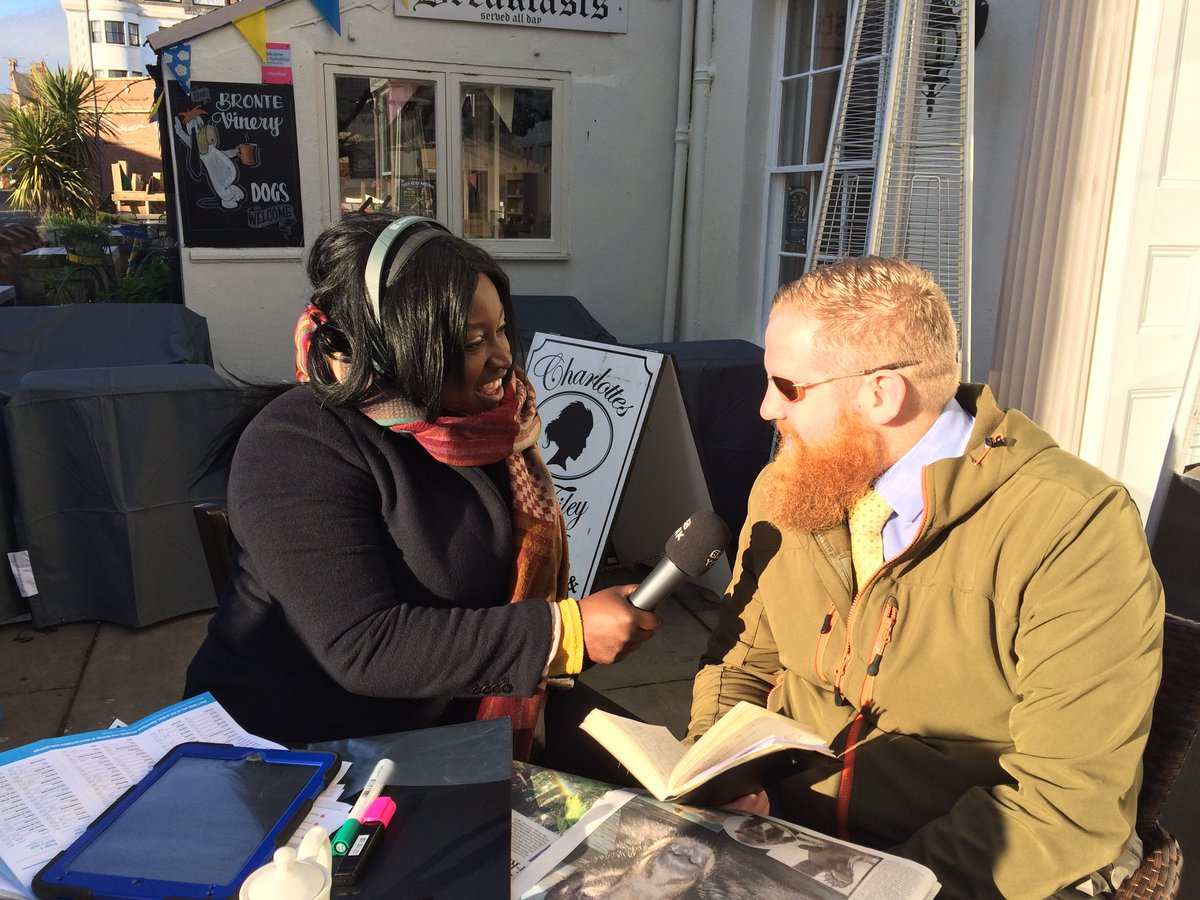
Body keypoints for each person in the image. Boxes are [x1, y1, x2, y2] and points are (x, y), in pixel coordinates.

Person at [686, 256, 1163, 899]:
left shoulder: (1072, 525)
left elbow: (1067, 801)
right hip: (789, 824)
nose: (767, 407)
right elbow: (741, 663)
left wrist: (885, 887)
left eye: (787, 386)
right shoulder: (789, 490)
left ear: (881, 393)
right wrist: (710, 777)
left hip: (964, 862)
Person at [185, 212, 661, 767]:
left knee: (691, 786)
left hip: (452, 708)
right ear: (393, 350)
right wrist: (563, 633)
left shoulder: (489, 430)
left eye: (502, 328)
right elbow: (364, 645)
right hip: (297, 751)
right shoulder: (295, 446)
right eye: (472, 341)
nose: (505, 357)